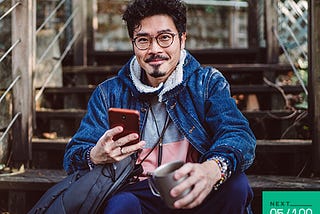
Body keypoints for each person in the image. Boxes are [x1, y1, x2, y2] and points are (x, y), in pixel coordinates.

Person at [63, 0, 256, 213]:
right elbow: (73, 155)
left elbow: (238, 134)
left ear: (182, 39)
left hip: (191, 185)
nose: (155, 50)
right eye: (143, 40)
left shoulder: (207, 83)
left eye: (165, 38)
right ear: (133, 43)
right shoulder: (108, 93)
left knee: (236, 186)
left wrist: (212, 169)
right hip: (136, 192)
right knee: (120, 204)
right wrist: (94, 155)